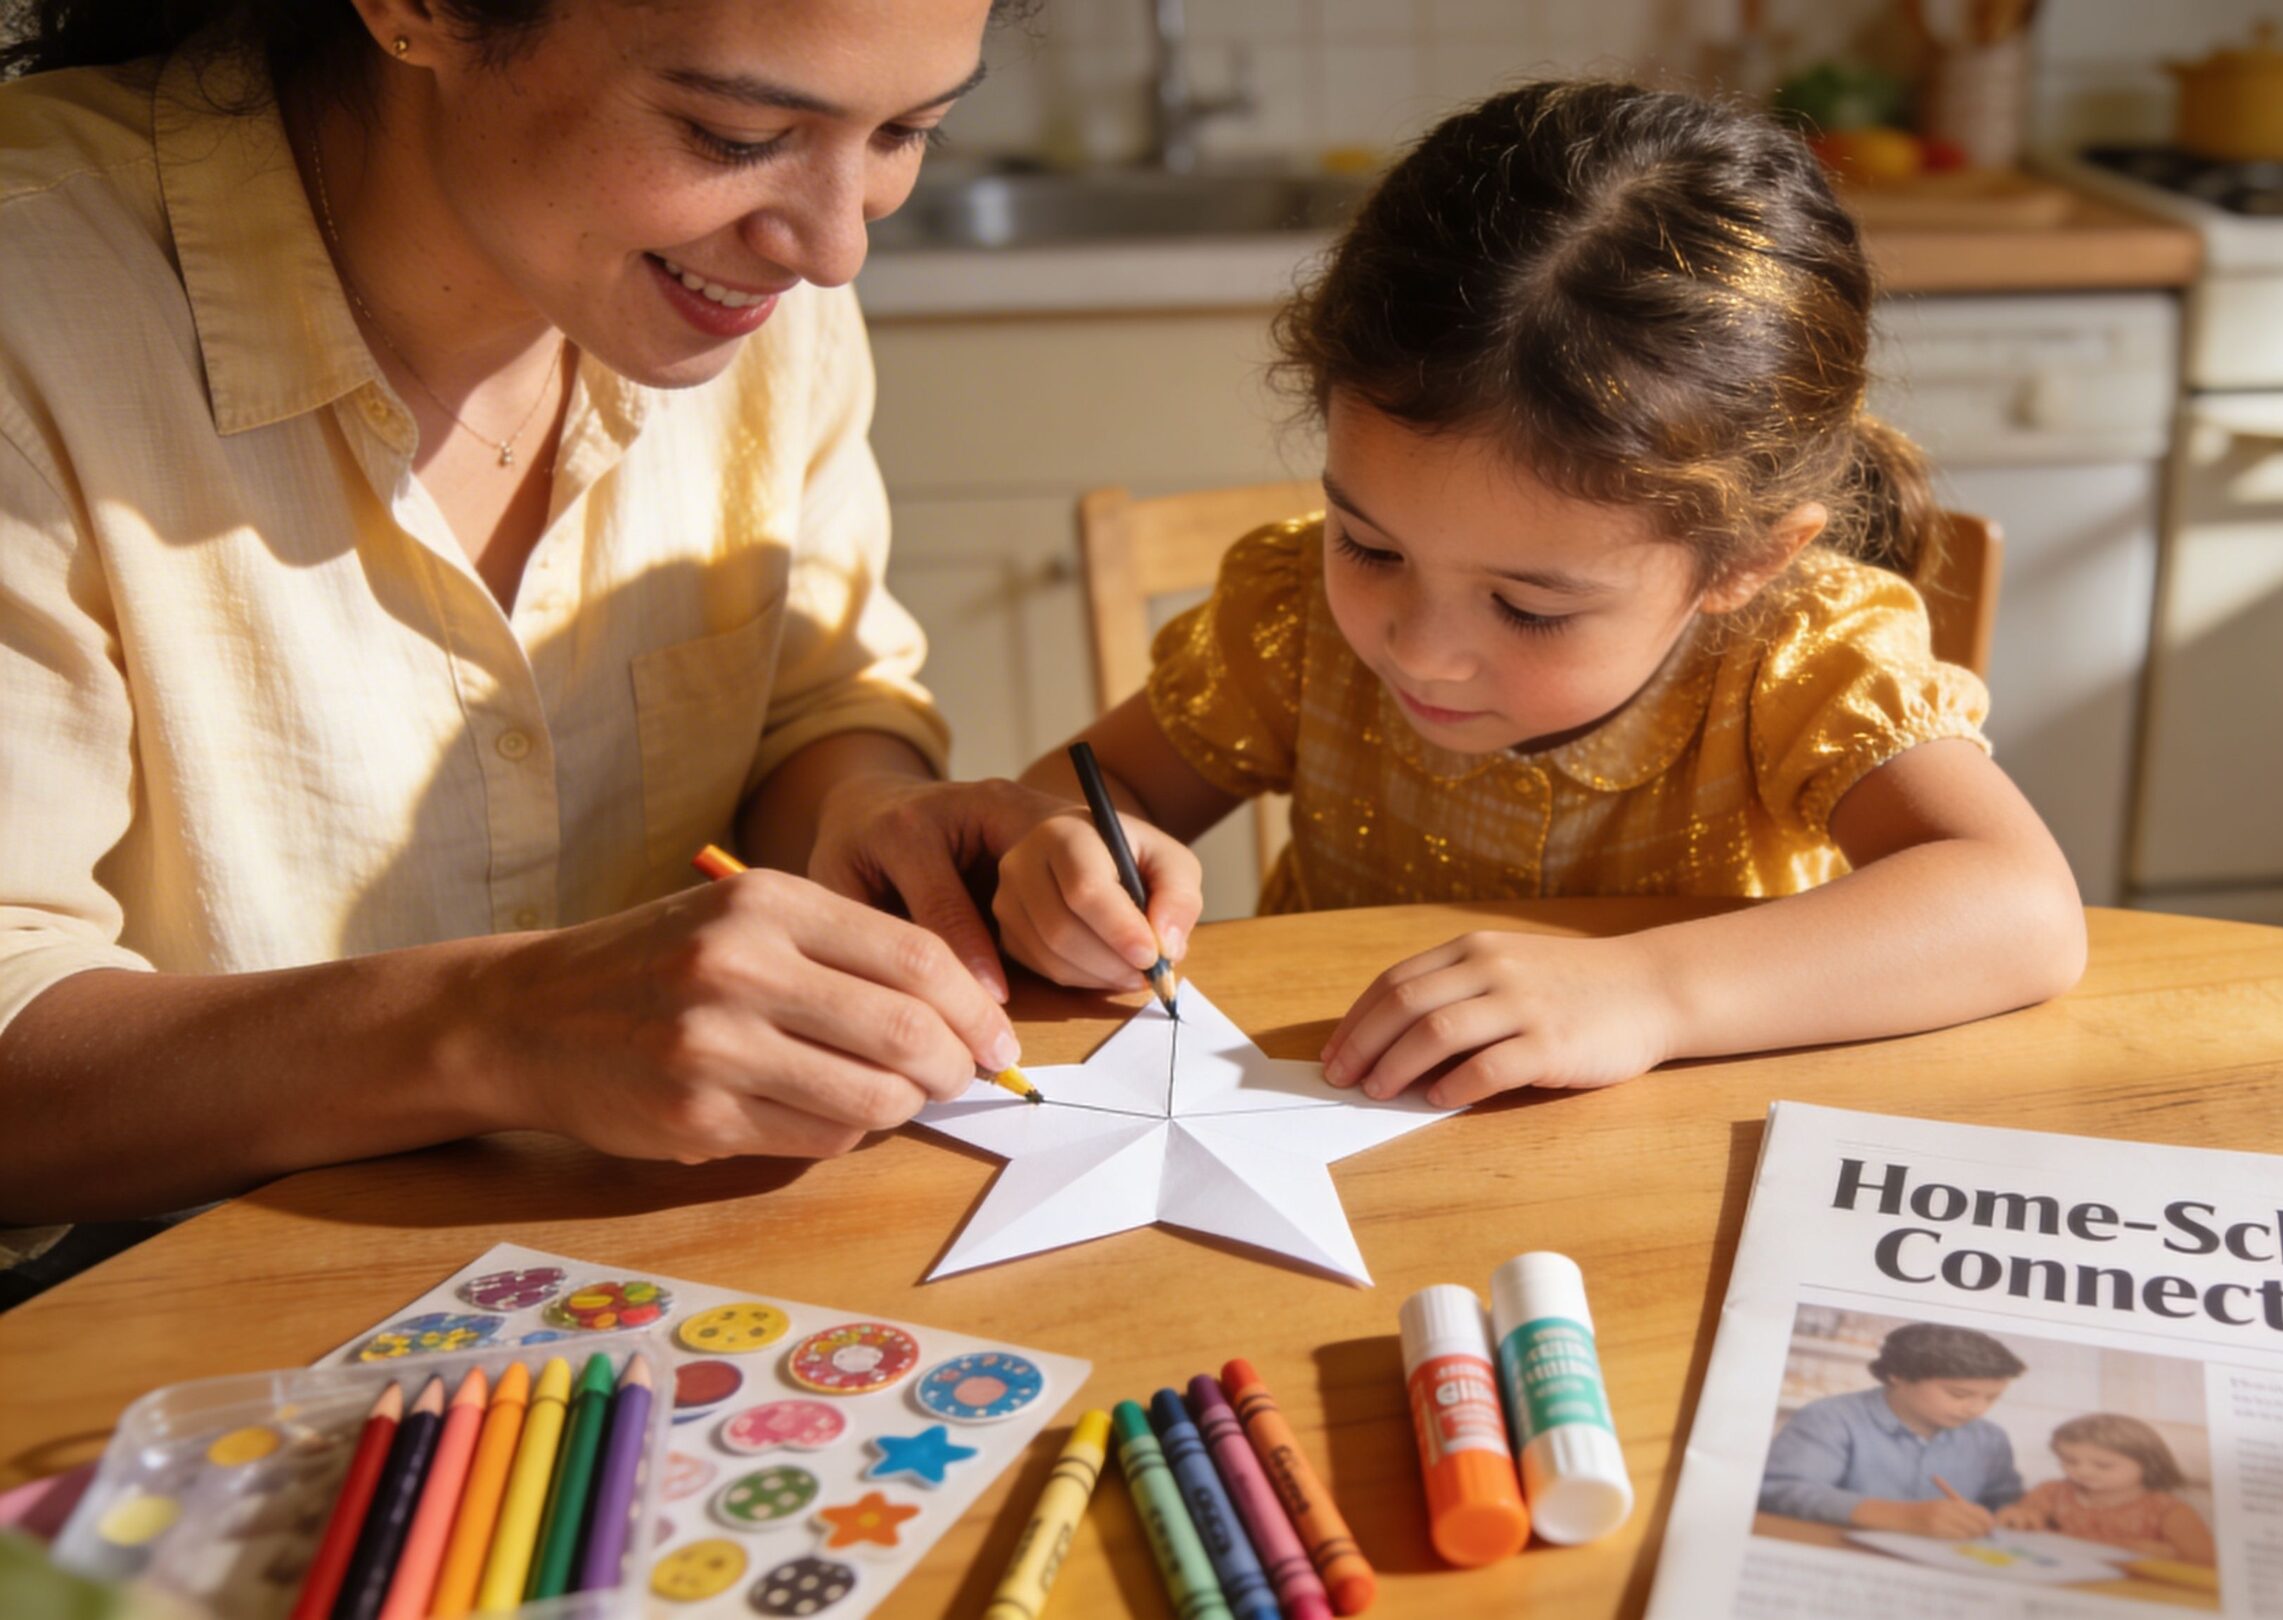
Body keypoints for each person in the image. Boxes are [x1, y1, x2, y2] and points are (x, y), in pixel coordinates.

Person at [0, 0, 1137, 1269]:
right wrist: (496, 1026)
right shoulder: (34, 302)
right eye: (733, 132)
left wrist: (870, 819)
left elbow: (809, 706)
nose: (830, 252)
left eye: (907, 131)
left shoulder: (744, 288)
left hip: (648, 1276)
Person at [986, 79, 2086, 1109]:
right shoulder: (1289, 620)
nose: (1421, 649)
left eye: (1531, 608)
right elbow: (1103, 783)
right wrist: (1062, 852)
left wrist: (1649, 992)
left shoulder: (1797, 655)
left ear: (1745, 562)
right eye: (1368, 546)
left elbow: (2020, 909)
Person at [1760, 1322, 2028, 1533]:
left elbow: (2006, 1500)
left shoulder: (1990, 1438)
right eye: (1959, 1394)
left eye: (1992, 1398)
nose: (1977, 1409)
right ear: (1897, 1375)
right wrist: (1898, 1516)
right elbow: (1782, 1489)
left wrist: (2019, 1513)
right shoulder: (1831, 1417)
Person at [1996, 1412, 2218, 1565]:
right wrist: (2017, 1517)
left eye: (2103, 1465)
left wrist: (2168, 1554)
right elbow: (2021, 1518)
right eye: (2069, 1461)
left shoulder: (2167, 1510)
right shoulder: (2052, 1491)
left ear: (2149, 1463)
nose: (2083, 1472)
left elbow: (2205, 1561)